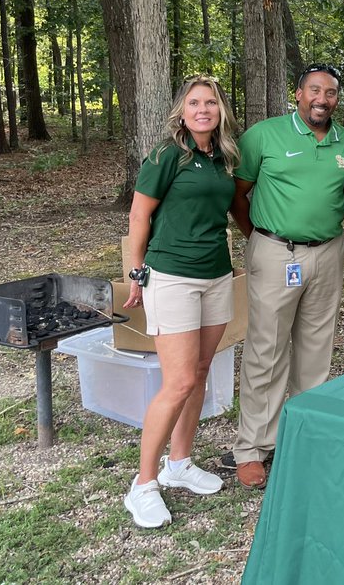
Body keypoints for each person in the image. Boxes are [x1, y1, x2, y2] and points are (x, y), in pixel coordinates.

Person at [228, 63, 344, 489]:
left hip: (327, 252)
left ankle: (305, 438)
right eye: (315, 90)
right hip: (275, 253)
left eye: (331, 92)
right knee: (266, 349)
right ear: (298, 94)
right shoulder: (264, 135)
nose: (323, 99)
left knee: (316, 350)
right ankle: (252, 448)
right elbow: (238, 192)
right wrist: (259, 237)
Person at [122, 74, 239, 529]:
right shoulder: (166, 154)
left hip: (216, 275)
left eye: (211, 102)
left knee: (201, 374)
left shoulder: (225, 157)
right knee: (178, 381)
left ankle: (179, 464)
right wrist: (136, 271)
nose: (203, 109)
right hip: (172, 276)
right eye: (195, 102)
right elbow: (138, 213)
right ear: (182, 109)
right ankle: (143, 485)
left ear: (221, 109)